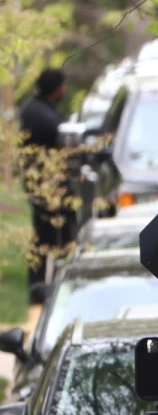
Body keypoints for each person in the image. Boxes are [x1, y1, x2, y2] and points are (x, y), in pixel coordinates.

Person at [19, 68, 74, 301]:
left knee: (52, 233)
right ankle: (41, 285)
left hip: (46, 183)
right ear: (56, 88)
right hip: (45, 184)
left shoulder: (38, 110)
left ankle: (48, 282)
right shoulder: (39, 114)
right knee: (49, 233)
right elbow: (56, 135)